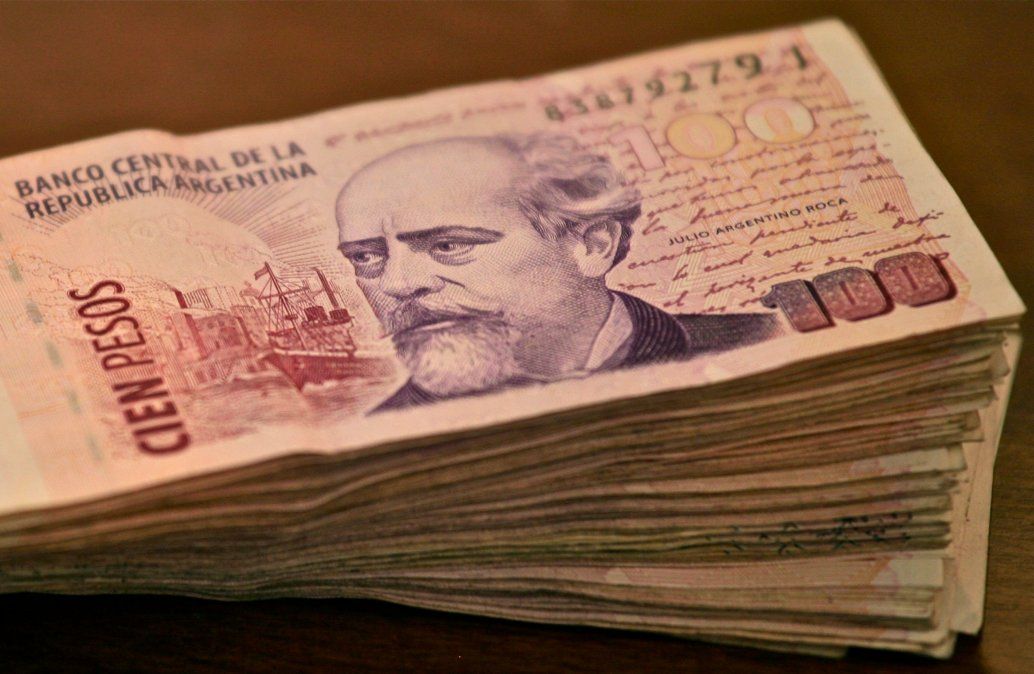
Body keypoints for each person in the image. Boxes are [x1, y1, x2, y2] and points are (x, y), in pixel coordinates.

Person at [334, 134, 779, 411]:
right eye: (366, 258)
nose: (396, 284)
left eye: (449, 246)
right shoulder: (381, 429)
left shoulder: (766, 343)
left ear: (591, 246)